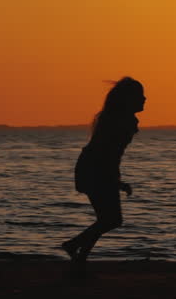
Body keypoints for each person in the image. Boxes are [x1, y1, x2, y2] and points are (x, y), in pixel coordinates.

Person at [62, 77, 146, 265]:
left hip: (94, 167)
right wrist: (115, 180)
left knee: (107, 219)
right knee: (111, 219)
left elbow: (112, 155)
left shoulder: (120, 119)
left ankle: (78, 259)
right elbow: (107, 153)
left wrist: (116, 180)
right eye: (140, 95)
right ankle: (73, 246)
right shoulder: (118, 121)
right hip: (95, 168)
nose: (145, 99)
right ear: (129, 99)